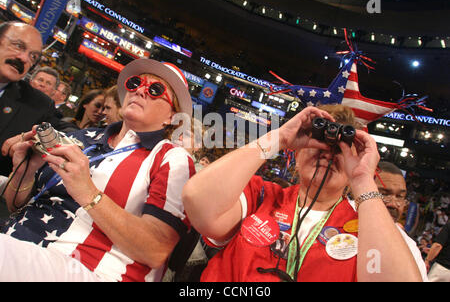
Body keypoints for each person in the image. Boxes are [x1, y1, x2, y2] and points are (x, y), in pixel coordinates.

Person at [0, 58, 195, 282]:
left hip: (92, 269)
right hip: (19, 245)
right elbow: (15, 204)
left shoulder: (172, 158)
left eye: (155, 89)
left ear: (172, 115)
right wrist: (24, 170)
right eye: (135, 83)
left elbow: (156, 250)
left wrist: (87, 192)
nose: (141, 91)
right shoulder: (81, 137)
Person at [183, 104, 426, 282]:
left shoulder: (374, 229)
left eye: (340, 149)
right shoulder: (261, 195)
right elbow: (197, 200)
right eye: (317, 141)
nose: (327, 152)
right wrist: (279, 137)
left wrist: (363, 181)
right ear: (296, 154)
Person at [0, 21, 69, 177]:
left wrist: (34, 141)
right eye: (18, 46)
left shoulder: (39, 105)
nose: (24, 58)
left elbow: (61, 139)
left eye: (33, 56)